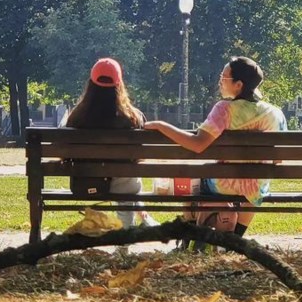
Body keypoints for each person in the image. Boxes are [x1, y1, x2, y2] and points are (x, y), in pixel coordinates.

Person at [144, 56, 287, 239]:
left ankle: (190, 238)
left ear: (238, 85)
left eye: (224, 77)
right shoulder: (275, 114)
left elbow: (198, 144)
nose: (220, 80)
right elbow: (278, 159)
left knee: (191, 181)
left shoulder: (224, 109)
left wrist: (162, 126)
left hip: (222, 185)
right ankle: (235, 238)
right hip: (255, 187)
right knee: (254, 186)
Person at [65, 58, 157, 228]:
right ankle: (127, 237)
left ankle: (143, 218)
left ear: (91, 84)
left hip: (86, 183)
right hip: (123, 187)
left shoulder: (76, 117)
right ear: (119, 84)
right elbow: (140, 156)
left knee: (126, 178)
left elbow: (65, 154)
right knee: (128, 179)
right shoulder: (133, 117)